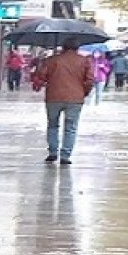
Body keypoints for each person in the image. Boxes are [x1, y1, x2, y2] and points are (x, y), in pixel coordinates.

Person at [39, 38, 96, 166]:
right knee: (70, 127)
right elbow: (90, 80)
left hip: (53, 97)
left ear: (63, 47)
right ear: (77, 48)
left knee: (52, 125)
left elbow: (42, 76)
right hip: (75, 98)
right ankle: (65, 155)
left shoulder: (53, 60)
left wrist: (46, 63)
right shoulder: (84, 61)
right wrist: (84, 92)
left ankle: (53, 152)